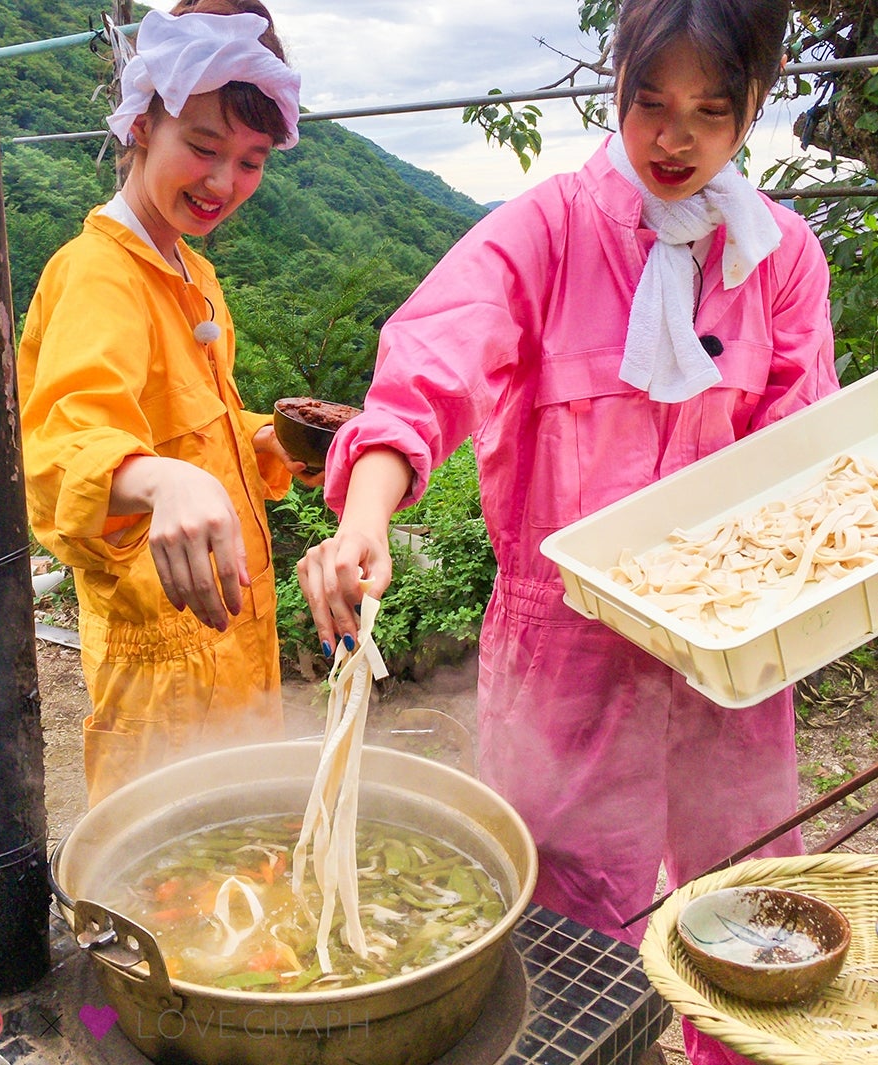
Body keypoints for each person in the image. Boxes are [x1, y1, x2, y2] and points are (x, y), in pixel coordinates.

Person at [297, 2, 836, 1062]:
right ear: (616, 84)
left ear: (753, 109)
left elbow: (799, 458)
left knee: (745, 900)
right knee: (572, 925)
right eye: (649, 103)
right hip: (567, 646)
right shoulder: (544, 234)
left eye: (710, 112)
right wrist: (364, 517)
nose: (673, 139)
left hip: (732, 634)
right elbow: (428, 371)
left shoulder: (777, 258)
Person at [18, 0, 314, 808]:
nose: (223, 183)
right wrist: (158, 480)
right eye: (204, 147)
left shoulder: (190, 271)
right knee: (165, 858)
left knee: (243, 842)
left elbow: (192, 426)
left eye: (251, 160)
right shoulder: (97, 274)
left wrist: (269, 439)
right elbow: (61, 452)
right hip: (161, 668)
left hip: (233, 632)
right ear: (143, 124)